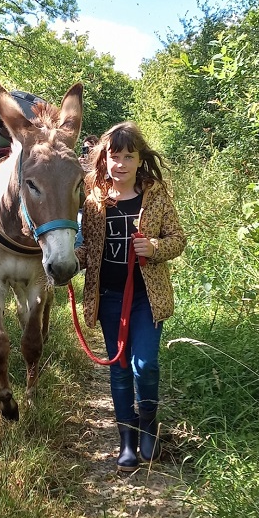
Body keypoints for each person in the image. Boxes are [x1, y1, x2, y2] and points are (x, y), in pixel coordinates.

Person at [75, 122, 186, 473]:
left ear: (140, 161)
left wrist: (154, 247)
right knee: (120, 368)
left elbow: (178, 240)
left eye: (129, 156)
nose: (121, 163)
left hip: (145, 298)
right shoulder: (93, 202)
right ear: (103, 160)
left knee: (145, 364)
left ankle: (149, 427)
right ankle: (127, 438)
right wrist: (64, 261)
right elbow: (85, 251)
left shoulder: (155, 195)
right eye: (114, 156)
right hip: (108, 297)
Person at [75, 135, 99, 247]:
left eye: (90, 148)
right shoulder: (77, 164)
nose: (87, 151)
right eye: (85, 148)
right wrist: (77, 167)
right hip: (78, 207)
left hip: (95, 207)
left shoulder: (101, 166)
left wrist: (91, 169)